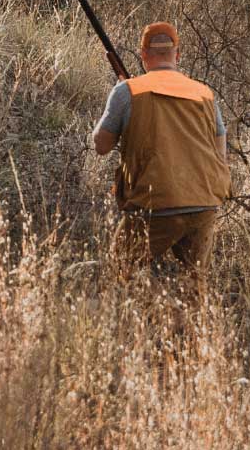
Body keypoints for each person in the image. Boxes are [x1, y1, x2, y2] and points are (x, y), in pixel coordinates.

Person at [91, 21, 232, 273]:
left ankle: (148, 309)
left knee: (119, 273)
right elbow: (220, 153)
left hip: (154, 203)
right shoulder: (204, 94)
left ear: (144, 55)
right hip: (204, 201)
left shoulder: (128, 91)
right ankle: (179, 312)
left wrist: (119, 98)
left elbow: (101, 145)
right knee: (194, 285)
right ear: (177, 55)